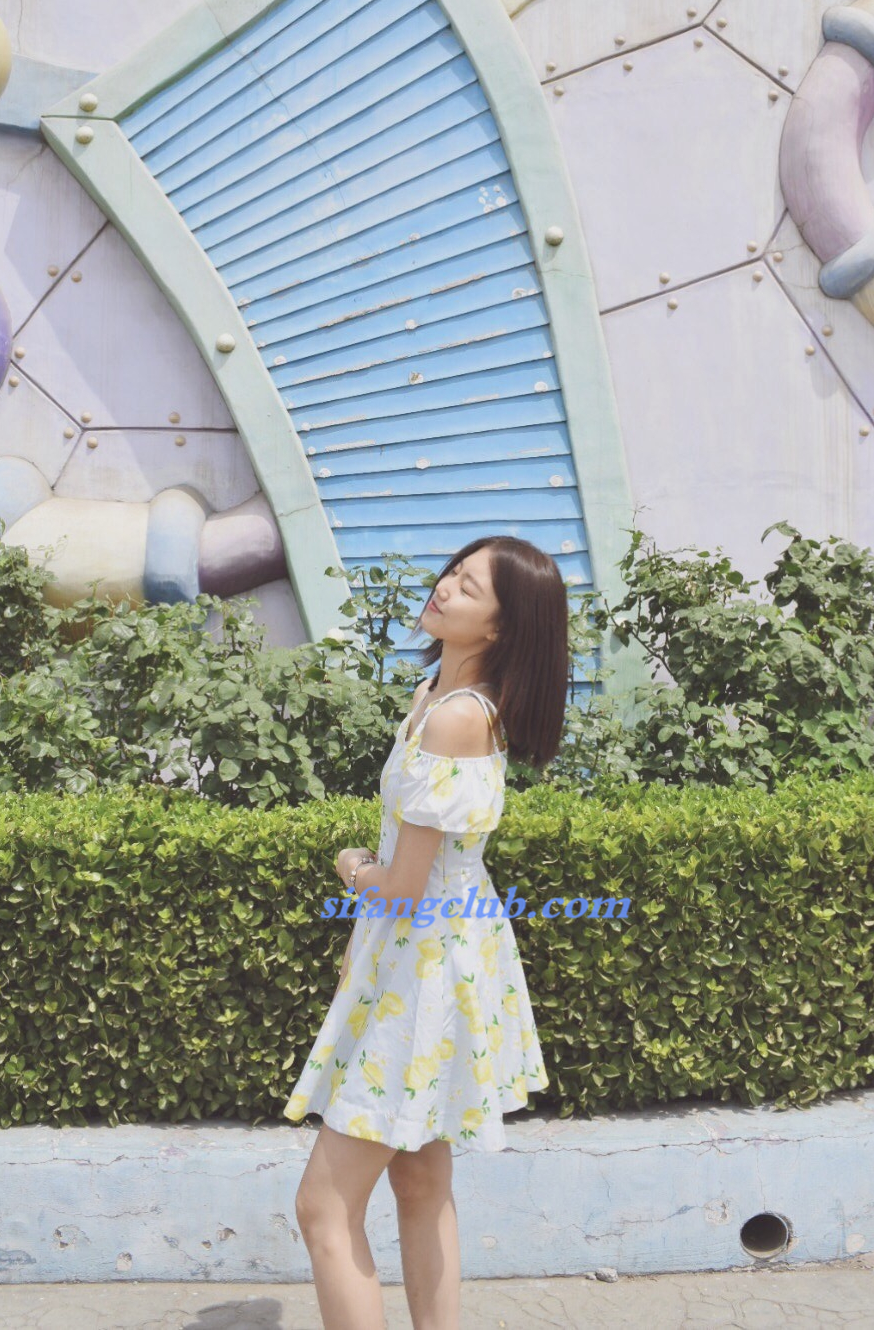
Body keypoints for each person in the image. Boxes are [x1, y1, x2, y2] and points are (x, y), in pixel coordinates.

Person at [283, 533, 569, 1330]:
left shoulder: (457, 719)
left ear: (500, 628)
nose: (445, 587)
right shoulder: (435, 699)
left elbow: (405, 888)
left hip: (422, 971)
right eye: (454, 572)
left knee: (323, 1208)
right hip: (429, 960)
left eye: (469, 588)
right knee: (419, 1182)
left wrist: (352, 868)